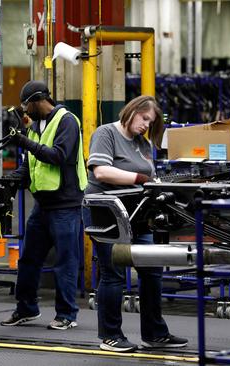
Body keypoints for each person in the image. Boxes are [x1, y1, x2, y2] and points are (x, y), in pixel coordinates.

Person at [83, 95, 189, 352]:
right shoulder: (105, 133)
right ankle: (110, 336)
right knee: (114, 273)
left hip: (138, 213)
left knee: (152, 270)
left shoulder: (142, 144)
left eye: (150, 123)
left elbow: (150, 177)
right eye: (144, 119)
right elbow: (101, 171)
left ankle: (154, 334)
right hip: (106, 213)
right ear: (132, 111)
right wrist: (140, 178)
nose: (145, 126)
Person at [0, 80, 87, 330]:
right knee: (28, 259)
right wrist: (10, 181)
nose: (25, 111)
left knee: (65, 261)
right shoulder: (36, 126)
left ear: (39, 100)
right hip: (43, 205)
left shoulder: (67, 121)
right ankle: (26, 308)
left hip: (65, 206)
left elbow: (58, 156)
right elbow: (31, 164)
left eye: (27, 105)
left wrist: (24, 141)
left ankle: (67, 315)